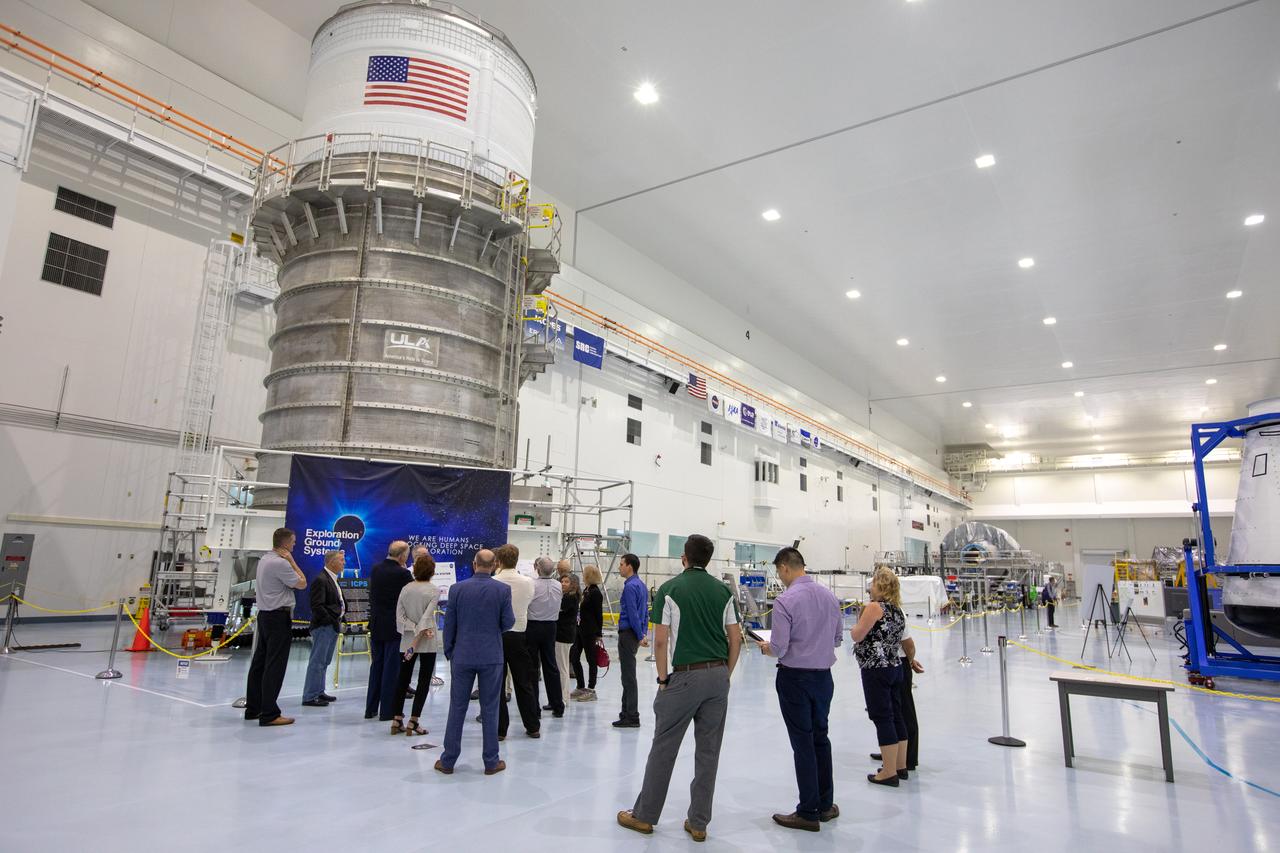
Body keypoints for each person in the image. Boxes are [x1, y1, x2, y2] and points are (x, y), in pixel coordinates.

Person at [618, 534, 742, 843]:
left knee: (664, 747)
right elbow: (736, 638)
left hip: (684, 677)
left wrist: (662, 680)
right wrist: (725, 673)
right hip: (717, 677)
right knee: (709, 750)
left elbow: (661, 640)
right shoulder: (723, 591)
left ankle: (645, 816)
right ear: (708, 560)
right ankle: (699, 822)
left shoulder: (670, 589)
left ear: (684, 558)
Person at [754, 548, 844, 832]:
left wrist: (767, 648)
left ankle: (807, 811)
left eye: (779, 573)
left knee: (802, 743)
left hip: (795, 679)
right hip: (823, 679)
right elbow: (838, 639)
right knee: (820, 738)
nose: (780, 578)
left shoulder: (785, 600)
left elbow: (779, 647)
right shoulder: (830, 597)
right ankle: (825, 804)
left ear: (784, 568)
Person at [436, 549, 515, 776]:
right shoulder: (502, 590)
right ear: (494, 566)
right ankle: (491, 761)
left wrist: (451, 650)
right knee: (490, 709)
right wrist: (491, 633)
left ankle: (448, 760)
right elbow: (508, 621)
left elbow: (449, 624)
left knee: (457, 708)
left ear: (474, 564)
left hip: (462, 655)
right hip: (491, 656)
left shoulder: (457, 589)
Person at [851, 568, 909, 787]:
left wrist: (857, 623)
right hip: (895, 666)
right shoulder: (897, 611)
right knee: (896, 715)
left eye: (873, 583)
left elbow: (857, 635)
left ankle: (888, 771)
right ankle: (900, 765)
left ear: (880, 586)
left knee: (882, 716)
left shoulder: (874, 608)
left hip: (876, 668)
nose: (870, 587)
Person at [244, 527, 307, 727]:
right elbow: (302, 583)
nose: (295, 545)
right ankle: (269, 713)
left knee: (260, 663)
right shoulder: (281, 563)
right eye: (293, 541)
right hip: (278, 617)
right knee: (275, 665)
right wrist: (292, 561)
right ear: (286, 543)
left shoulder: (264, 560)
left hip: (265, 615)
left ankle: (254, 708)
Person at [493, 543, 541, 739]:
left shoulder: (494, 581)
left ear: (499, 561)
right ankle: (532, 726)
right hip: (520, 635)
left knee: (497, 683)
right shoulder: (528, 582)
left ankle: (500, 729)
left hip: (498, 635)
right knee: (524, 682)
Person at [391, 552, 441, 736]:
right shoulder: (434, 590)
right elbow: (428, 615)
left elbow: (399, 616)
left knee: (403, 678)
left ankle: (396, 719)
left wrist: (412, 628)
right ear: (432, 571)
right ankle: (414, 720)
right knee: (424, 680)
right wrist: (421, 630)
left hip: (407, 641)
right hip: (427, 640)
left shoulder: (406, 588)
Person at [366, 541, 411, 722]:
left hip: (377, 624)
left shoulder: (376, 569)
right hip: (394, 626)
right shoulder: (403, 574)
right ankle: (387, 711)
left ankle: (370, 708)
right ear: (401, 556)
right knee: (392, 668)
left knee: (376, 665)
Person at [872, 620, 925, 773]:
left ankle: (908, 758)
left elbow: (909, 644)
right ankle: (893, 750)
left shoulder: (896, 611)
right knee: (892, 711)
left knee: (905, 712)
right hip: (887, 663)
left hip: (899, 662)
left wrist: (909, 661)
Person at [302, 549, 345, 707]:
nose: (344, 562)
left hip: (332, 626)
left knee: (324, 661)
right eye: (341, 560)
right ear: (332, 562)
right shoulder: (321, 579)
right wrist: (329, 620)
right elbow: (317, 605)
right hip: (324, 626)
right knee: (317, 661)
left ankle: (319, 691)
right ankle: (310, 695)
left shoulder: (332, 579)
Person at [614, 552, 649, 729]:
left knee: (628, 677)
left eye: (621, 564)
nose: (619, 567)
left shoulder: (630, 587)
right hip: (633, 634)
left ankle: (632, 715)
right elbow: (645, 613)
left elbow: (634, 614)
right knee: (628, 675)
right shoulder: (641, 585)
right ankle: (625, 713)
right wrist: (642, 632)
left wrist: (640, 634)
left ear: (629, 566)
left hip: (628, 633)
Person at [527, 556, 566, 717]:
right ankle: (558, 705)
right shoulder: (558, 585)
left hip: (533, 626)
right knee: (551, 666)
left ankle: (533, 708)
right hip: (551, 627)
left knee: (532, 668)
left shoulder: (532, 585)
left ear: (537, 568)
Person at [571, 564, 605, 701]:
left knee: (591, 659)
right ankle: (580, 686)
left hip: (590, 631)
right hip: (580, 628)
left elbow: (599, 614)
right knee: (574, 657)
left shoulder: (596, 593)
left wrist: (599, 633)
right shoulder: (586, 590)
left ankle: (591, 689)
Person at [556, 572, 581, 708]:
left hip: (563, 636)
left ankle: (564, 698)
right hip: (565, 635)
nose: (563, 584)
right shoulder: (568, 597)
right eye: (562, 581)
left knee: (562, 667)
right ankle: (563, 696)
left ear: (572, 585)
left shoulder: (569, 598)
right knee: (562, 666)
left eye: (566, 582)